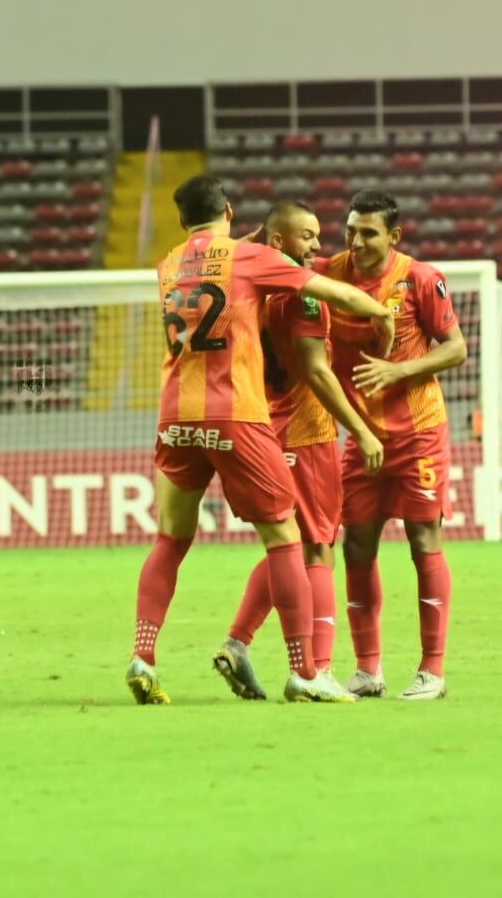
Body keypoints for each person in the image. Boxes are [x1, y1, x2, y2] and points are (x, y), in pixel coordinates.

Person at [128, 175, 394, 705]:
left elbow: (219, 255)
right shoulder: (248, 260)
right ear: (228, 209)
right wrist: (380, 312)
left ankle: (142, 656)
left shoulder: (168, 263)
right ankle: (305, 671)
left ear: (183, 222)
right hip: (236, 415)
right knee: (286, 540)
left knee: (170, 540)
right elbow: (331, 289)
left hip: (175, 415)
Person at [212, 202, 386, 702]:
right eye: (307, 236)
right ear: (282, 242)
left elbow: (246, 247)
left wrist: (261, 233)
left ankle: (238, 643)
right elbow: (316, 370)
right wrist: (362, 430)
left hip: (258, 427)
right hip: (305, 433)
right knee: (317, 547)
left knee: (283, 545)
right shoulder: (304, 297)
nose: (318, 245)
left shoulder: (246, 283)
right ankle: (317, 669)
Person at [323, 190, 467, 700]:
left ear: (394, 236)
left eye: (368, 233)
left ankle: (433, 670)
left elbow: (456, 349)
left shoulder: (422, 279)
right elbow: (282, 262)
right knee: (357, 545)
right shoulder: (331, 271)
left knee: (423, 540)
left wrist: (399, 369)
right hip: (362, 437)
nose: (356, 241)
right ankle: (368, 670)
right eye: (351, 229)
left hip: (419, 435)